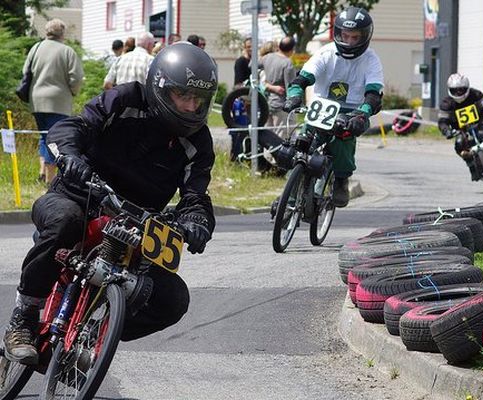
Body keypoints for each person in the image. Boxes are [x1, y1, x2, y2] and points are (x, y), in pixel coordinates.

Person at [2, 42, 219, 364]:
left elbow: (195, 195)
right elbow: (73, 127)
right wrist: (72, 158)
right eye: (181, 95)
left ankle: (93, 330)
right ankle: (24, 318)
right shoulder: (124, 99)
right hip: (77, 196)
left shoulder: (199, 143)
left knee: (172, 299)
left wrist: (197, 223)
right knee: (65, 222)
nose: (189, 107)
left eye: (197, 100)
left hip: (134, 224)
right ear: (159, 87)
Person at [282, 7, 384, 208]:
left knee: (342, 142)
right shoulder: (325, 52)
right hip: (322, 107)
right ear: (337, 33)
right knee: (301, 144)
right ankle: (290, 195)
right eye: (345, 36)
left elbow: (373, 93)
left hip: (352, 111)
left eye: (355, 37)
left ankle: (341, 179)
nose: (349, 42)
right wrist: (294, 95)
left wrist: (363, 113)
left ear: (365, 36)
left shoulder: (371, 60)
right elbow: (302, 78)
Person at [25, 18, 84, 185]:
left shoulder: (35, 48)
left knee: (43, 136)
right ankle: (50, 180)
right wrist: (72, 91)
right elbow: (77, 78)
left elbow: (26, 71)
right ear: (62, 33)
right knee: (55, 139)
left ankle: (42, 172)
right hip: (58, 102)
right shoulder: (67, 51)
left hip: (36, 101)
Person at [438, 73, 483, 181]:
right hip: (459, 128)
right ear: (450, 90)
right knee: (459, 144)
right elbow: (442, 121)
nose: (458, 93)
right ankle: (471, 165)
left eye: (461, 90)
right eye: (455, 90)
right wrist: (447, 131)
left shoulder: (476, 94)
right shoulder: (446, 103)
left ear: (467, 88)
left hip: (478, 122)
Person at [260, 36, 297, 140]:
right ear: (292, 49)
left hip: (267, 103)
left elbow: (251, 65)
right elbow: (290, 88)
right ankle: (276, 157)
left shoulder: (267, 57)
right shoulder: (287, 63)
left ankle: (267, 156)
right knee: (281, 137)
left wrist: (266, 84)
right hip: (281, 105)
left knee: (268, 137)